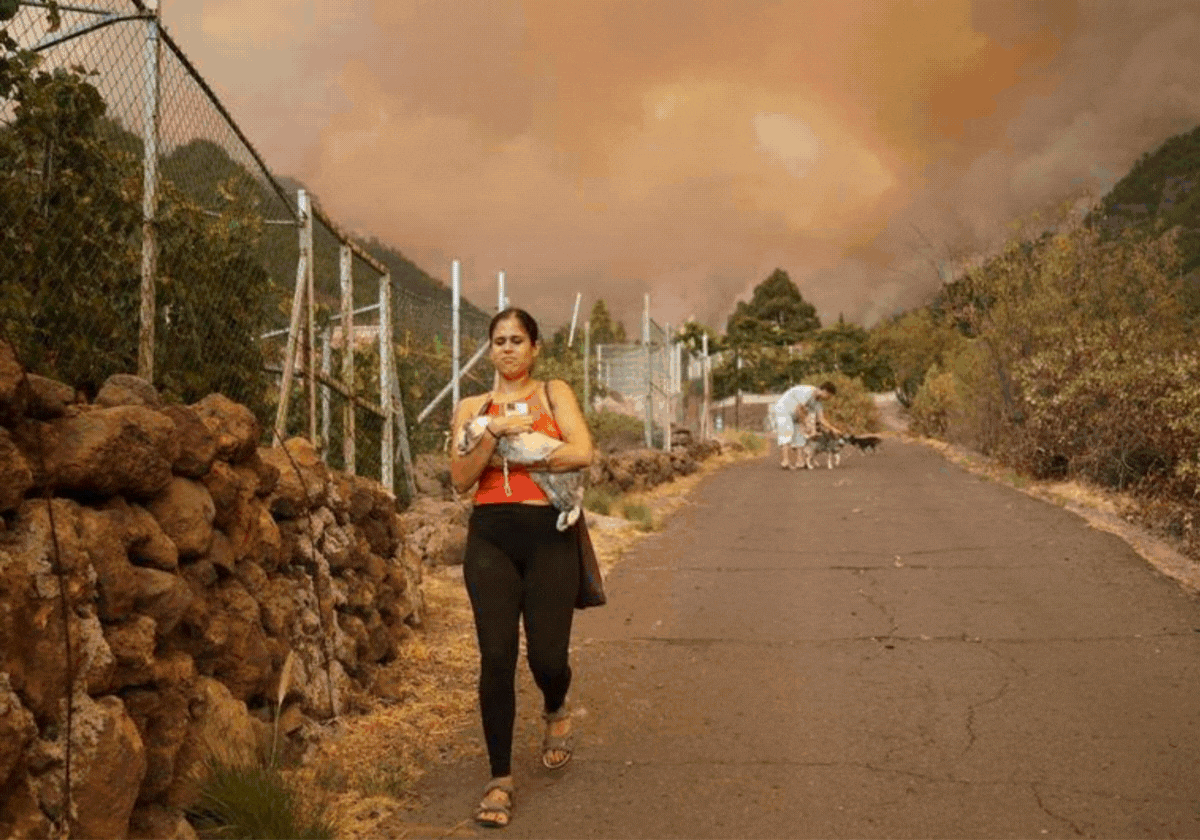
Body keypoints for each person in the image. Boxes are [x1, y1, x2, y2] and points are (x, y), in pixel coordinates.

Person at [449, 307, 595, 829]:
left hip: (548, 537)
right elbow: (460, 477)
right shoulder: (471, 405)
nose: (507, 348)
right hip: (489, 537)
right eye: (499, 340)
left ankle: (556, 707)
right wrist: (493, 435)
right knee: (495, 655)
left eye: (517, 340)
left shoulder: (554, 393)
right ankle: (500, 778)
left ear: (534, 348)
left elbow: (582, 453)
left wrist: (523, 450)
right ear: (490, 349)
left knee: (548, 657)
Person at [771, 380, 843, 469]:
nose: (828, 398)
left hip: (796, 414)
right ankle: (785, 462)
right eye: (828, 396)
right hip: (784, 409)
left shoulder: (817, 402)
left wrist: (833, 429)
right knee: (787, 432)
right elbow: (799, 409)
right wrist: (805, 424)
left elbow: (821, 419)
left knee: (800, 435)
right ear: (824, 391)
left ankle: (799, 461)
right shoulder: (807, 392)